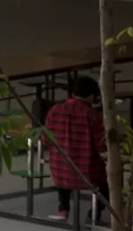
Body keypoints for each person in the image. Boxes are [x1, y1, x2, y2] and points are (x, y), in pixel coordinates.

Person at [41, 75, 107, 223]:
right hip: (87, 170)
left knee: (63, 167)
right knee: (106, 183)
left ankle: (63, 209)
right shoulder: (94, 116)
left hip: (60, 168)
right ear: (92, 96)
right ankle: (94, 214)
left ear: (72, 93)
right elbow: (100, 146)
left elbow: (46, 139)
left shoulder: (55, 110)